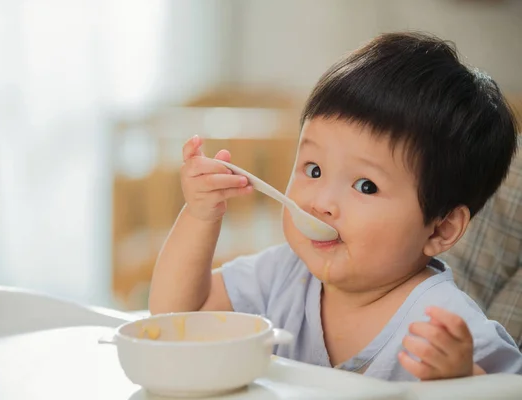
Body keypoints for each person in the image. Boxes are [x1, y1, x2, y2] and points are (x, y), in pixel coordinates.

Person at [148, 32, 522, 381]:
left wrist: (464, 379)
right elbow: (177, 317)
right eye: (313, 169)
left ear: (440, 228)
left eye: (366, 185)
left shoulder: (444, 324)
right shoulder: (283, 275)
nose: (321, 202)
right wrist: (200, 216)